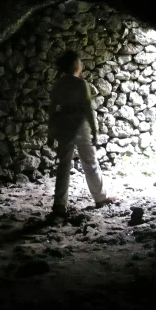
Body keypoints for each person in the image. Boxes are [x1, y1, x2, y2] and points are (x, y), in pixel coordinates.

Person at [46, 50, 117, 216]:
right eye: (80, 61)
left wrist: (51, 132)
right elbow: (87, 108)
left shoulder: (59, 85)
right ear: (75, 65)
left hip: (64, 123)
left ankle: (59, 205)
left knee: (63, 164)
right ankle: (100, 198)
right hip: (80, 124)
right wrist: (94, 130)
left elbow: (52, 109)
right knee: (89, 160)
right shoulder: (81, 84)